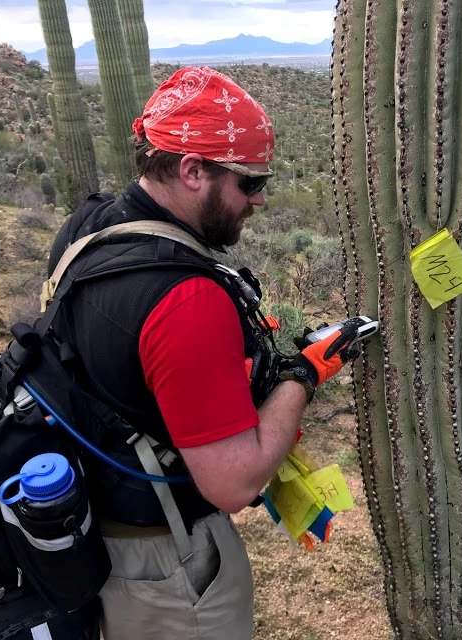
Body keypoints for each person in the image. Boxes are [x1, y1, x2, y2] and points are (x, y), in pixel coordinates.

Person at [45, 66, 357, 639]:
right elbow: (234, 485)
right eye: (250, 182)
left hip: (95, 532)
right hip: (169, 568)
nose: (259, 199)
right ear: (192, 171)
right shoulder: (186, 299)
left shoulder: (86, 228)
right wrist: (302, 373)